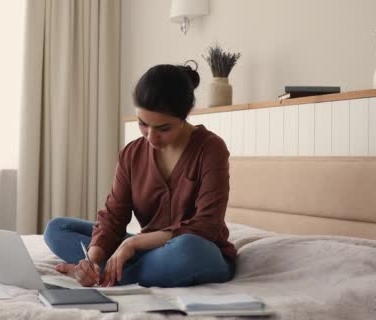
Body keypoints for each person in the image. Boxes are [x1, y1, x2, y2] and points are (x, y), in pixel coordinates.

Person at [43, 61, 236, 288]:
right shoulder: (131, 154)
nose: (151, 137)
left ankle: (115, 275)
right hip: (148, 250)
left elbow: (206, 226)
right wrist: (92, 260)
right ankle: (103, 271)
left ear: (185, 115)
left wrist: (133, 244)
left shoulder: (211, 149)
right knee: (57, 229)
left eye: (163, 128)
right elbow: (113, 217)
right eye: (143, 124)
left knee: (188, 250)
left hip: (198, 250)